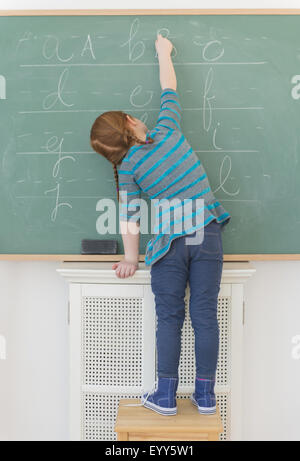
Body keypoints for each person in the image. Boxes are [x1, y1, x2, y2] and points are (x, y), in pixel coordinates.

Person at [90, 33, 231, 416]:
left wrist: (131, 260)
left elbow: (129, 219)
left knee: (169, 317)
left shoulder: (127, 170)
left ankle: (166, 395)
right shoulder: (168, 131)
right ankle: (205, 395)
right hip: (206, 231)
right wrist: (163, 52)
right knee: (204, 314)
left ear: (111, 152)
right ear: (133, 123)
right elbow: (169, 87)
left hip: (169, 244)